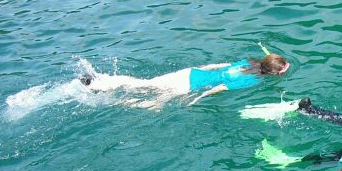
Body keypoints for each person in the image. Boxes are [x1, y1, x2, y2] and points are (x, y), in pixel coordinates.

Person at [80, 47, 290, 108]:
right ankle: (114, 100)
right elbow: (219, 88)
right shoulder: (251, 80)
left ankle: (98, 82)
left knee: (144, 84)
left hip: (190, 73)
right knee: (154, 106)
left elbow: (219, 66)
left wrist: (199, 68)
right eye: (282, 69)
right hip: (187, 85)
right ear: (272, 73)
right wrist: (196, 99)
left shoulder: (248, 62)